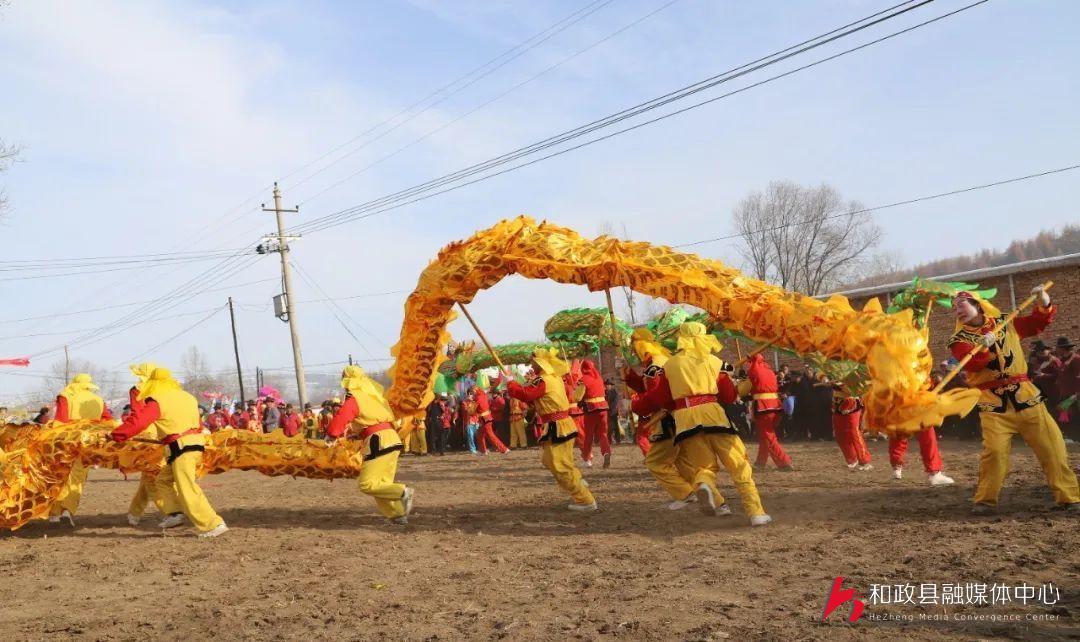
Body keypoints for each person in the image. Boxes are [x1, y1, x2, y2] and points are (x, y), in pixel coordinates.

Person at [948, 287, 1079, 513]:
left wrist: (1044, 301)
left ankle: (1069, 497)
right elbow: (972, 364)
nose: (957, 310)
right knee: (995, 453)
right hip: (993, 404)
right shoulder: (958, 340)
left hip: (1026, 396)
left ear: (977, 304)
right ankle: (985, 501)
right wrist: (983, 347)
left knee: (1053, 446)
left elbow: (1036, 324)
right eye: (954, 308)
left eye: (962, 304)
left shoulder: (1005, 322)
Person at [632, 323, 771, 526]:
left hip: (685, 420)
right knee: (738, 464)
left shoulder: (669, 365)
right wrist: (743, 384)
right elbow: (728, 395)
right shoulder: (714, 361)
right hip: (713, 415)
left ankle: (704, 483)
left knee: (704, 467)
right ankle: (755, 512)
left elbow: (664, 399)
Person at [109, 367, 228, 538]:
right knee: (162, 480)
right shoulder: (188, 397)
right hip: (193, 445)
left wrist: (116, 435)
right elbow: (197, 423)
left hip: (181, 448)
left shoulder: (158, 400)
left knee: (187, 488)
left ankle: (213, 524)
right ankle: (174, 513)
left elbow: (138, 422)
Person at [507, 348, 597, 511]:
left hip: (558, 425)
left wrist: (511, 383)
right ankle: (576, 480)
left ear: (540, 362)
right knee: (551, 460)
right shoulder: (553, 378)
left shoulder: (543, 380)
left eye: (533, 362)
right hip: (562, 424)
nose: (531, 365)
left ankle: (585, 499)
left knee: (559, 465)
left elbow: (527, 395)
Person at [325, 366, 414, 525]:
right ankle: (397, 515)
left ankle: (402, 492)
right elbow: (377, 420)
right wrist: (358, 434)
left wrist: (331, 434)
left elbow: (342, 416)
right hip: (391, 439)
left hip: (378, 442)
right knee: (382, 483)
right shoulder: (374, 396)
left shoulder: (355, 397)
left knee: (367, 484)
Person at [624, 329, 696, 510]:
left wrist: (634, 405)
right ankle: (700, 489)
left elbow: (655, 396)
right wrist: (629, 376)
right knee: (680, 458)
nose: (633, 352)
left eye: (634, 347)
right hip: (678, 415)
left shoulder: (654, 365)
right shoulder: (661, 360)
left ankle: (685, 493)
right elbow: (647, 386)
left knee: (655, 462)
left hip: (667, 417)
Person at [49, 373, 114, 526]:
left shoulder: (66, 396)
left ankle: (54, 513)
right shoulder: (98, 400)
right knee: (77, 477)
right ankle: (67, 510)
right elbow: (109, 422)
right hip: (88, 443)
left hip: (67, 440)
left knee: (60, 476)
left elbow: (60, 421)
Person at [743, 353, 793, 472]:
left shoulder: (754, 371)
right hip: (774, 405)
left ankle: (784, 462)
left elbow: (746, 388)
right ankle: (760, 463)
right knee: (764, 435)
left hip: (763, 406)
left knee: (768, 436)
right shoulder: (769, 371)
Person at [577, 359, 612, 468]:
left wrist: (576, 389)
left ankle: (586, 459)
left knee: (589, 436)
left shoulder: (584, 380)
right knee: (603, 434)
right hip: (603, 408)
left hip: (591, 409)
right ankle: (606, 452)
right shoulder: (599, 378)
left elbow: (577, 396)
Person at [831, 384, 872, 471]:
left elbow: (855, 389)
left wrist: (839, 384)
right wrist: (826, 380)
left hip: (851, 406)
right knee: (840, 436)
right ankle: (852, 459)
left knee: (854, 435)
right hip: (838, 405)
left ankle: (864, 461)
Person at [474, 384, 509, 455]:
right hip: (485, 418)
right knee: (480, 434)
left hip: (485, 418)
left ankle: (504, 449)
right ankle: (482, 450)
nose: (473, 392)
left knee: (490, 435)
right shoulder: (483, 396)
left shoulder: (479, 398)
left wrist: (470, 406)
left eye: (474, 390)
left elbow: (473, 409)